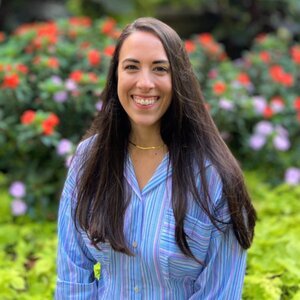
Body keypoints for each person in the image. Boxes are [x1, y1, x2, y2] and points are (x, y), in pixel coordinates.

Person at [55, 17, 256, 299]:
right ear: (116, 77)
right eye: (132, 67)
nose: (145, 83)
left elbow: (219, 293)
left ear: (179, 79)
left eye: (160, 69)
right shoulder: (89, 159)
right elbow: (73, 279)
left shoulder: (214, 176)